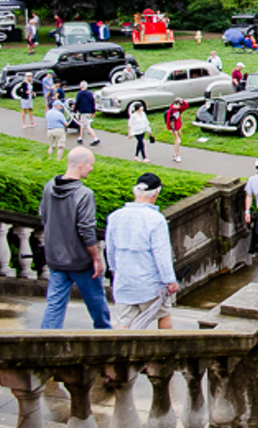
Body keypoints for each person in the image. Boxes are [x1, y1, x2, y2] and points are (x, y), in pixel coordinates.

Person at [39, 147, 111, 329]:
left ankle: (46, 342)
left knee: (54, 305)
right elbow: (86, 230)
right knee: (96, 303)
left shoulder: (49, 187)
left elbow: (43, 216)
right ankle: (106, 337)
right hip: (80, 260)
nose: (92, 169)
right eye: (91, 165)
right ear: (81, 165)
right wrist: (96, 257)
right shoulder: (84, 194)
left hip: (56, 258)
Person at [106, 172, 179, 329]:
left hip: (124, 280)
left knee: (124, 322)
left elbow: (110, 251)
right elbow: (161, 254)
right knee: (163, 314)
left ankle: (122, 352)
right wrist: (170, 280)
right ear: (156, 193)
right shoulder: (156, 219)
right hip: (150, 283)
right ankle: (167, 350)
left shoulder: (115, 217)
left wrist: (114, 271)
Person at [73, 81, 100, 146]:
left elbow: (77, 103)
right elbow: (93, 103)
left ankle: (95, 138)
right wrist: (93, 111)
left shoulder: (79, 94)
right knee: (82, 125)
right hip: (89, 111)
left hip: (83, 111)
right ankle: (80, 138)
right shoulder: (90, 94)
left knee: (87, 126)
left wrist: (75, 110)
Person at [164, 98, 187, 163]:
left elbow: (186, 106)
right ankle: (176, 155)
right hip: (173, 128)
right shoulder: (170, 111)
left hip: (178, 127)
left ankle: (176, 153)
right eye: (178, 105)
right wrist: (171, 129)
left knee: (178, 140)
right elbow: (168, 121)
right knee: (178, 141)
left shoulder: (178, 110)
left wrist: (182, 100)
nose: (179, 107)